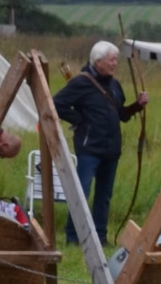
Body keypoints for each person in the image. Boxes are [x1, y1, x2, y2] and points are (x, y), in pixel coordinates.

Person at [53, 41, 147, 247]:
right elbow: (57, 104)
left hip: (111, 150)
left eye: (116, 60)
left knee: (104, 196)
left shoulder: (114, 85)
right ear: (98, 60)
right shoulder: (81, 83)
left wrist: (137, 106)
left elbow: (121, 114)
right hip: (89, 148)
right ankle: (73, 236)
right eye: (112, 59)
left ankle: (100, 237)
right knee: (83, 193)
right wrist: (80, 120)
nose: (115, 64)